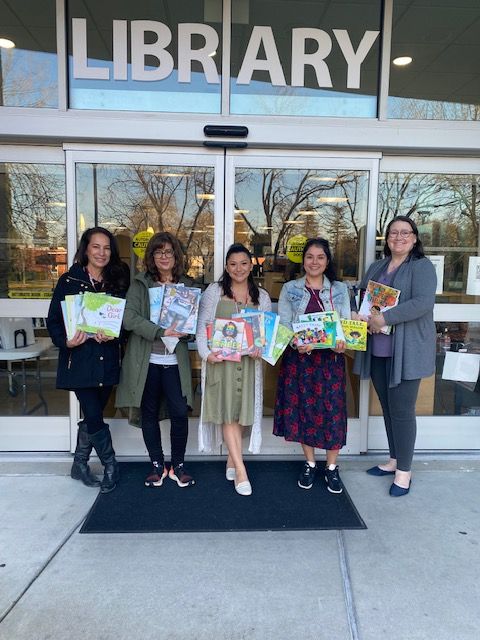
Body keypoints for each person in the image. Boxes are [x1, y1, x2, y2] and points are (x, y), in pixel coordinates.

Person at [353, 216, 436, 497]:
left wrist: (384, 318)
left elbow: (423, 303)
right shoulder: (377, 266)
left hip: (406, 352)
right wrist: (356, 309)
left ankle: (404, 472)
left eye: (405, 233)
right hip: (378, 349)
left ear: (414, 238)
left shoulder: (422, 267)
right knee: (388, 408)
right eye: (393, 233)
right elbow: (362, 293)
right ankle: (393, 459)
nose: (398, 237)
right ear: (386, 238)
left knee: (402, 411)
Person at [47, 227, 130, 493]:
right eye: (96, 247)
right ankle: (110, 464)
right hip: (79, 359)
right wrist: (66, 341)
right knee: (93, 414)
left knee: (94, 414)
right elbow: (54, 321)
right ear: (86, 249)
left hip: (106, 359)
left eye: (107, 248)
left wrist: (114, 334)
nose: (102, 253)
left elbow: (125, 320)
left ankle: (79, 463)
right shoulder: (69, 280)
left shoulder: (118, 280)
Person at [115, 232, 195, 488]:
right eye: (158, 252)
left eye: (169, 252)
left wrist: (187, 328)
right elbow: (129, 319)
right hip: (146, 361)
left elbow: (194, 325)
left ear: (176, 256)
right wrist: (161, 332)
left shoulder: (187, 285)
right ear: (151, 257)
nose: (164, 257)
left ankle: (178, 465)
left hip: (174, 362)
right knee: (148, 413)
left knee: (180, 413)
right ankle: (157, 465)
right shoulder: (140, 284)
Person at [273, 238, 350, 493]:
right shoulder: (290, 289)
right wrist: (297, 342)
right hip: (301, 361)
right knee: (303, 412)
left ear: (327, 261)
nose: (314, 262)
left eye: (320, 257)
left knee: (332, 414)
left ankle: (331, 467)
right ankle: (309, 463)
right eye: (309, 257)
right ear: (302, 260)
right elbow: (284, 324)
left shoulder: (339, 290)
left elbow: (347, 326)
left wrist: (342, 342)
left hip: (330, 362)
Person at [196, 243, 271, 496]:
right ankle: (241, 470)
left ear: (251, 266)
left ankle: (231, 457)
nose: (238, 269)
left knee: (241, 414)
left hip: (249, 365)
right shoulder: (214, 292)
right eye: (232, 264)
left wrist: (262, 346)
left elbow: (266, 334)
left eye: (243, 263)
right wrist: (207, 354)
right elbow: (201, 326)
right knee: (228, 413)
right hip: (222, 364)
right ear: (226, 267)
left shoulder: (261, 296)